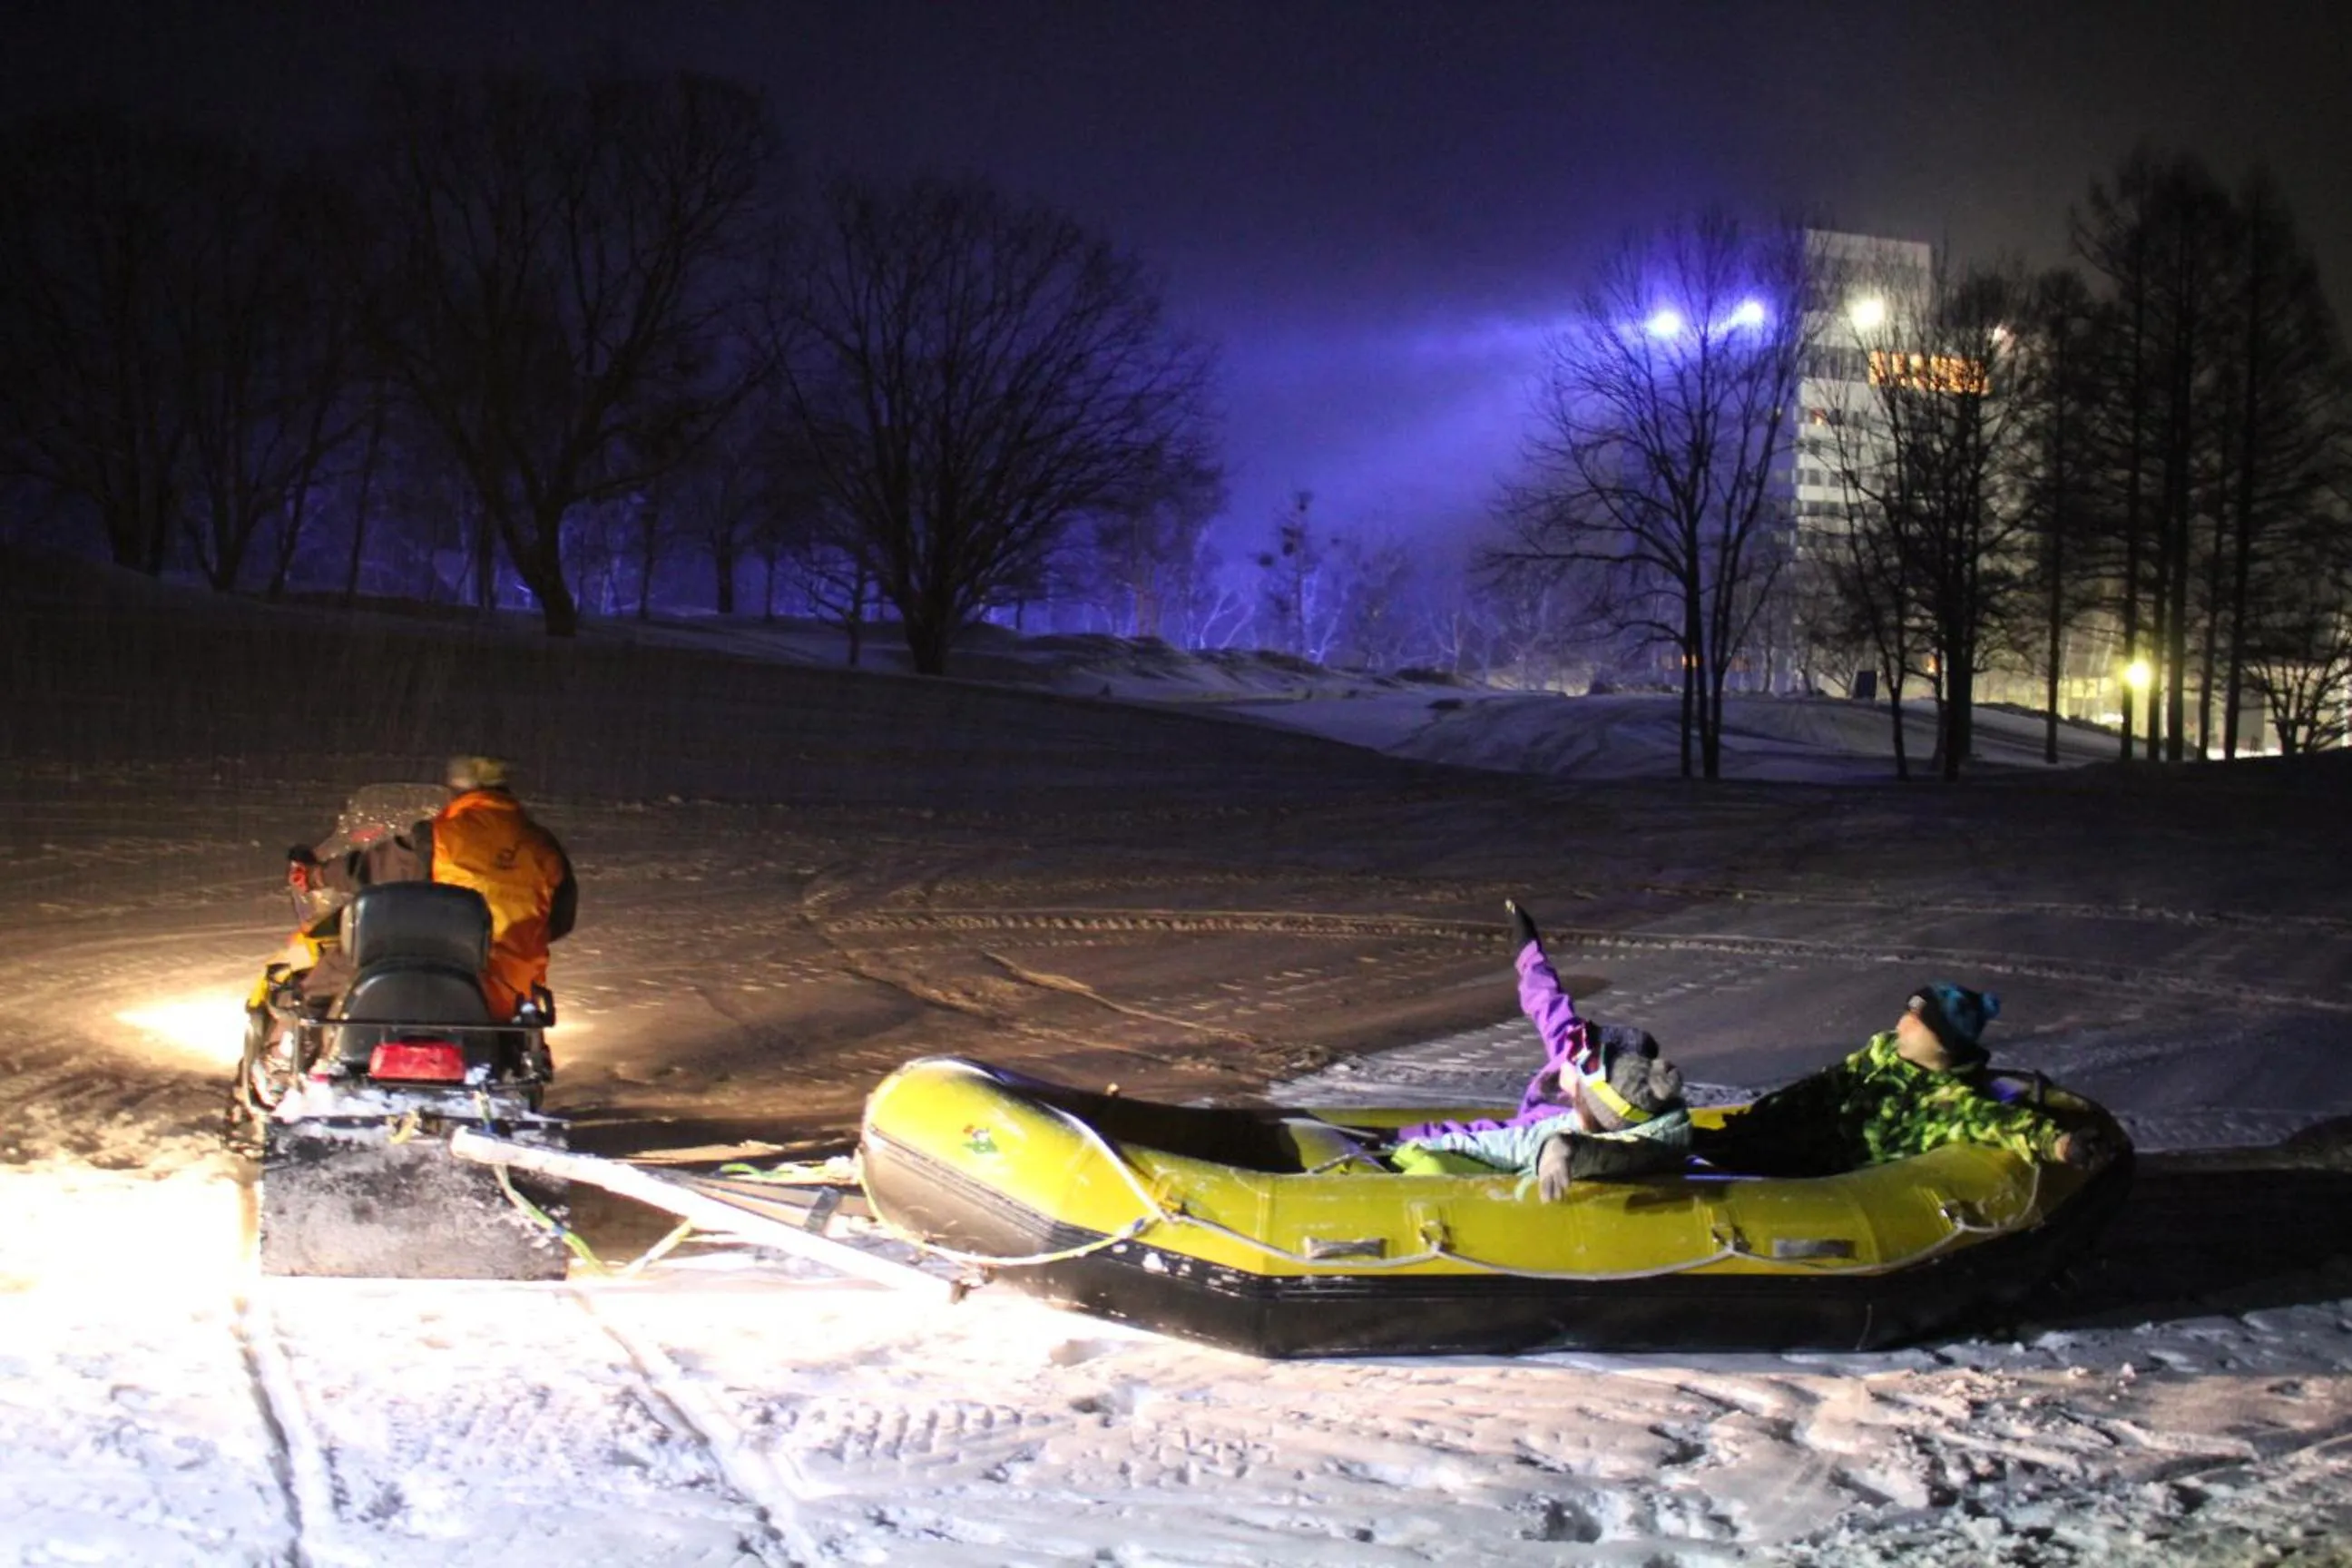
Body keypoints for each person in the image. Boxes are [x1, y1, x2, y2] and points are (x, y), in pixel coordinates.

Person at [1393, 900, 1692, 1199]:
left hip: (1521, 1142)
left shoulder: (1621, 1139)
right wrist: (1528, 950)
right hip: (1522, 1130)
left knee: (1448, 1149)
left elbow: (1602, 1153)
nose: (1570, 1053)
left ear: (1585, 1105)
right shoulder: (1578, 1057)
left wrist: (1561, 1149)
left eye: (1579, 1061)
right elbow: (1548, 1003)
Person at [1692, 983, 2109, 1178]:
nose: (1901, 1023)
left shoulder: (1944, 1099)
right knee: (1699, 1143)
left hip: (1828, 1171)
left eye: (1915, 1020)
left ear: (1940, 1042)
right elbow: (1827, 1085)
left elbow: (1994, 1122)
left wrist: (2060, 1143)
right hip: (1798, 1138)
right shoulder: (1883, 1052)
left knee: (1717, 1169)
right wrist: (1764, 1116)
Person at [413, 754, 578, 1022]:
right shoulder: (542, 845)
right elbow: (561, 921)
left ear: (460, 790)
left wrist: (320, 875)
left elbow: (374, 867)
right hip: (513, 996)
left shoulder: (438, 835)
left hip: (438, 990)